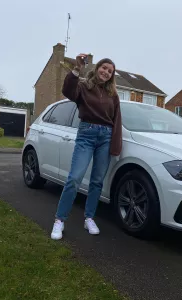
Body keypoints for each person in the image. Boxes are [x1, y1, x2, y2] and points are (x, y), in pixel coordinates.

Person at [51, 54, 122, 239]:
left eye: (110, 71)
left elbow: (117, 120)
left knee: (97, 181)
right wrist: (76, 69)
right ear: (97, 67)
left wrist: (116, 145)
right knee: (75, 178)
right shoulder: (83, 85)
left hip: (105, 137)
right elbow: (67, 91)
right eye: (104, 68)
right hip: (86, 134)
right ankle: (59, 220)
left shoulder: (112, 94)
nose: (106, 72)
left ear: (111, 75)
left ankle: (89, 217)